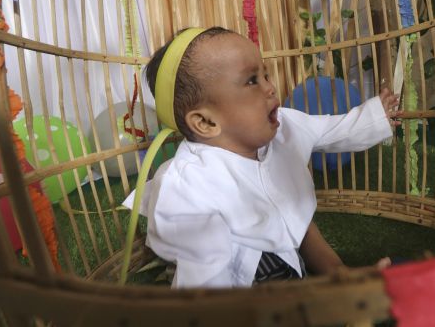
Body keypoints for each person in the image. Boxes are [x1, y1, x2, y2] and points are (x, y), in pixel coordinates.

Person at [124, 26, 402, 288]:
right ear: (206, 123)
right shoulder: (188, 183)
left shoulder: (284, 127)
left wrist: (375, 116)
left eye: (265, 75)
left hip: (279, 234)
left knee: (297, 216)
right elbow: (203, 271)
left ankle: (342, 278)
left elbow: (329, 129)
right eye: (251, 80)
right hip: (237, 268)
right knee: (255, 263)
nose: (270, 87)